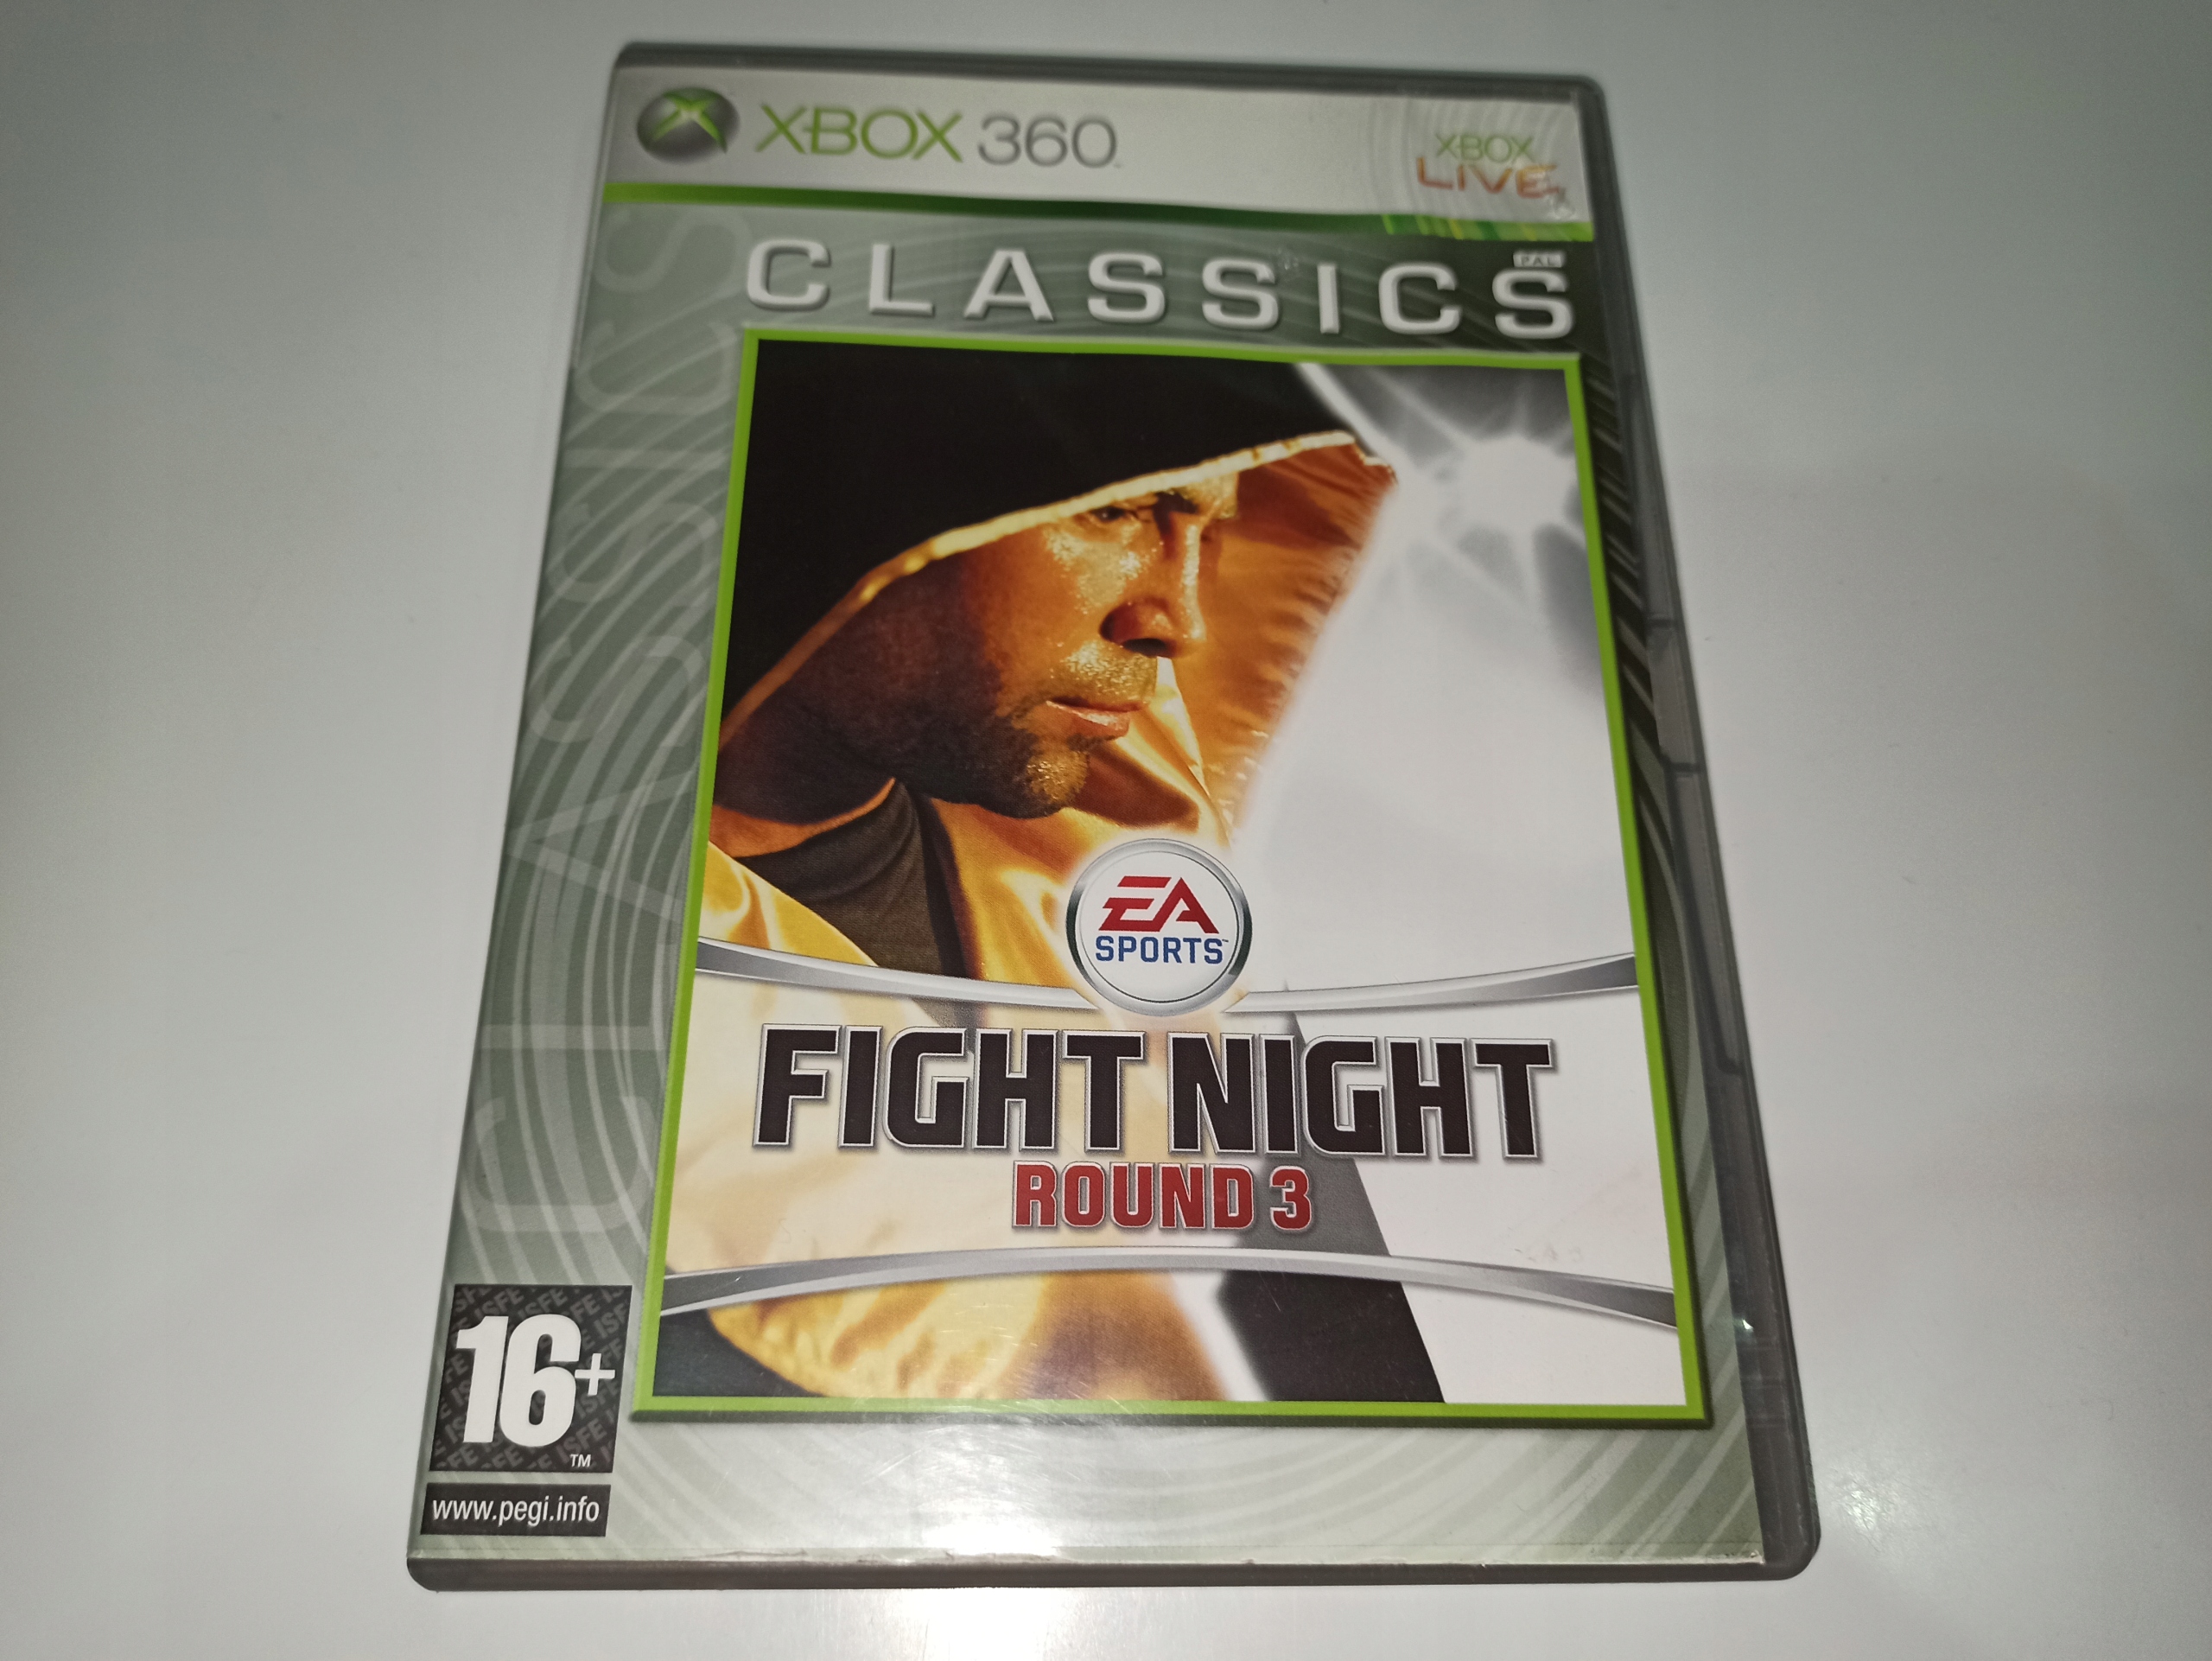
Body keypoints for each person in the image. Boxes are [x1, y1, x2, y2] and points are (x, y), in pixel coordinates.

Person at [658, 340, 1438, 1403]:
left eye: (1209, 527)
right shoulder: (565, 1072)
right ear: (853, 495)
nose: (1179, 618)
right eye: (1116, 510)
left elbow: (1378, 1430)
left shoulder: (1173, 956)